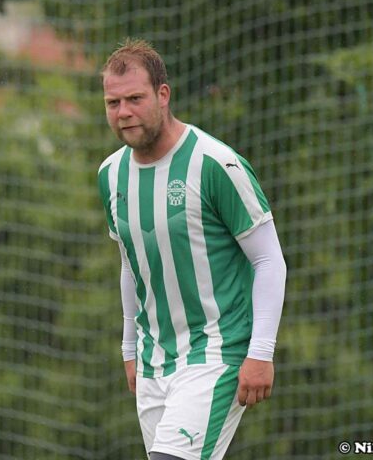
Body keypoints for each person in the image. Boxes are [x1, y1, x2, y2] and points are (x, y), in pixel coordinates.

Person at [96, 39, 287, 460]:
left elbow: (269, 259)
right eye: (113, 102)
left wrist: (261, 352)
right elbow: (130, 263)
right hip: (153, 361)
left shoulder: (215, 163)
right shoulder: (110, 175)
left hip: (216, 352)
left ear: (163, 95)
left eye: (135, 99)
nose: (123, 112)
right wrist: (129, 348)